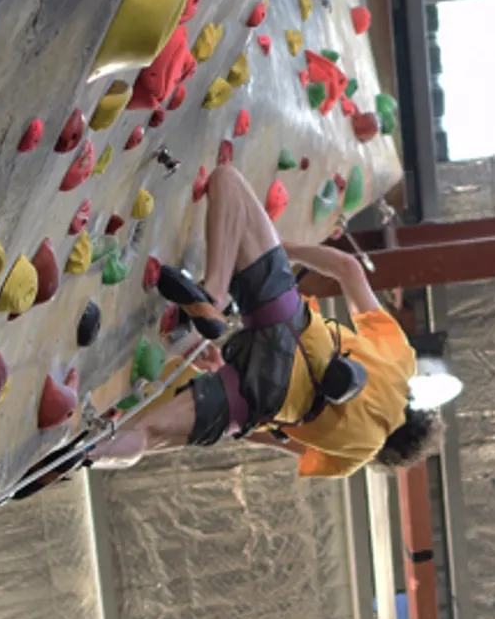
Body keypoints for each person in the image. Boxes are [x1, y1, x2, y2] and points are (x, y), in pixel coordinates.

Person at [88, 162, 443, 476]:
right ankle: (80, 457)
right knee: (149, 435)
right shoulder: (352, 459)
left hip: (286, 320)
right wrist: (227, 391)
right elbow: (270, 436)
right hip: (263, 395)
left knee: (227, 181)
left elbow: (348, 268)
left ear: (413, 409)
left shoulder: (401, 362)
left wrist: (283, 248)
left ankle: (214, 292)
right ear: (387, 453)